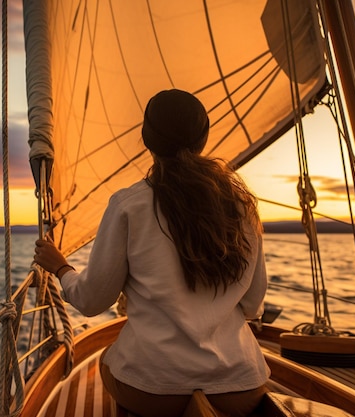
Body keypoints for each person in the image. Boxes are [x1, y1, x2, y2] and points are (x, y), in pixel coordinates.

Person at [34, 89, 270, 417]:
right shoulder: (243, 207)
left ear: (146, 139)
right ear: (203, 140)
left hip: (156, 388)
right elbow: (253, 305)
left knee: (106, 362)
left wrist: (61, 267)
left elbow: (90, 301)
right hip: (240, 385)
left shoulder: (129, 205)